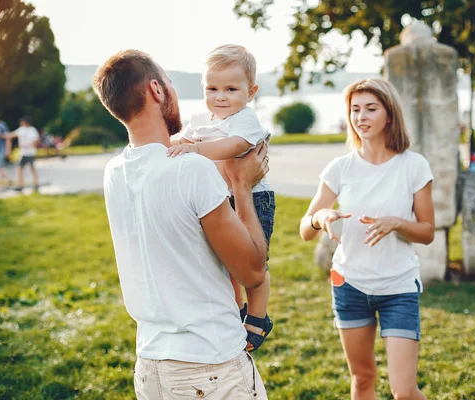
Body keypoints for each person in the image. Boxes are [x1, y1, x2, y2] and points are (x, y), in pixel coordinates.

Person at [93, 49, 270, 399]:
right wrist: (243, 186)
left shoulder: (115, 171)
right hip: (210, 365)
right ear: (157, 90)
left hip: (150, 364)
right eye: (171, 83)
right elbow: (252, 271)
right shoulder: (190, 168)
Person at [299, 78, 435, 400]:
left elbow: (428, 231)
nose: (361, 117)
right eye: (355, 109)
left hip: (398, 287)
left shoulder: (413, 166)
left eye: (370, 109)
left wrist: (398, 223)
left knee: (404, 391)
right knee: (362, 380)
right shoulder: (340, 168)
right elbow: (305, 228)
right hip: (350, 285)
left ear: (389, 115)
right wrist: (321, 217)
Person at [167, 44, 275, 353]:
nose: (221, 96)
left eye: (231, 88)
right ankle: (235, 308)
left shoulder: (244, 120)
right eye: (212, 88)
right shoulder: (202, 118)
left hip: (255, 196)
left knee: (255, 259)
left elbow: (234, 146)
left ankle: (257, 315)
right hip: (219, 196)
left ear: (250, 92)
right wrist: (169, 146)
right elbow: (183, 139)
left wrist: (196, 149)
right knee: (226, 261)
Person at [4, 116, 40, 192]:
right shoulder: (21, 129)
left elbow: (36, 140)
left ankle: (36, 184)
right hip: (23, 153)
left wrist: (30, 145)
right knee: (19, 168)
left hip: (30, 153)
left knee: (32, 169)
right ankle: (20, 185)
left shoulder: (32, 130)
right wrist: (2, 135)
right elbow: (11, 135)